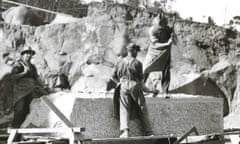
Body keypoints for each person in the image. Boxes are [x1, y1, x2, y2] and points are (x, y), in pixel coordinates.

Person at [108, 43, 158, 138]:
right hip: (134, 85)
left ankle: (125, 131)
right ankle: (148, 132)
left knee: (124, 108)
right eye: (136, 52)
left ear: (128, 51)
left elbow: (112, 77)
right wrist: (153, 91)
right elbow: (143, 86)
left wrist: (120, 82)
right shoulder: (138, 63)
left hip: (123, 85)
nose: (137, 54)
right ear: (134, 51)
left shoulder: (119, 62)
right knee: (142, 108)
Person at [10, 46, 47, 128]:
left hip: (31, 90)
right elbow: (12, 77)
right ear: (23, 55)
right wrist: (24, 72)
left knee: (29, 110)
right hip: (20, 92)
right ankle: (14, 130)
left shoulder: (32, 67)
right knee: (19, 110)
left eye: (30, 54)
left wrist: (43, 87)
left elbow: (36, 78)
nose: (29, 55)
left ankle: (23, 131)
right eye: (26, 53)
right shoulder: (18, 64)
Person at [143, 15, 173, 94]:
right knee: (146, 68)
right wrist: (167, 43)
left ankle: (165, 91)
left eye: (163, 25)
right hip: (154, 51)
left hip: (165, 52)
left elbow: (174, 39)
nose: (161, 28)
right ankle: (140, 87)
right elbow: (155, 44)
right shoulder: (152, 30)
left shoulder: (167, 29)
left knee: (166, 70)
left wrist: (172, 35)